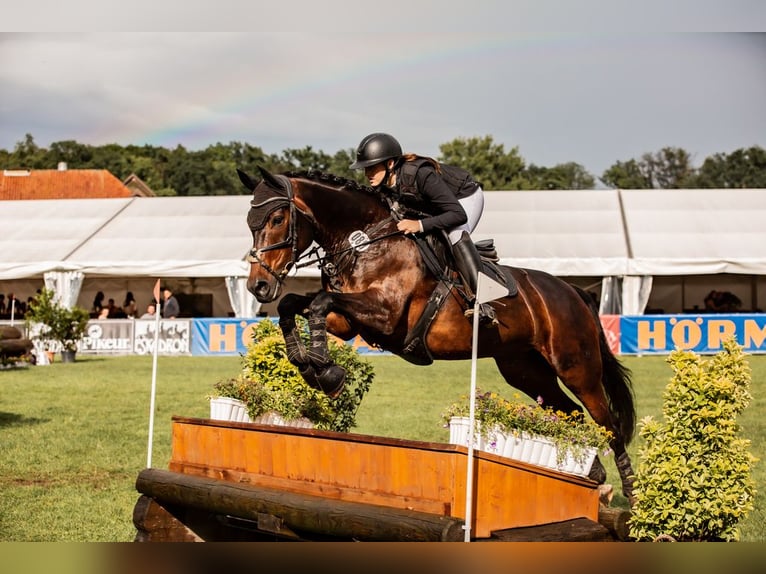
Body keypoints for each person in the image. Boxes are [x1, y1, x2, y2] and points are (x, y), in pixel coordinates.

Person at [350, 132, 497, 325]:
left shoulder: (419, 173)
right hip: (436, 208)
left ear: (390, 164)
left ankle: (482, 302)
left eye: (372, 168)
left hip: (464, 198)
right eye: (365, 169)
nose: (367, 174)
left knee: (455, 233)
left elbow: (457, 214)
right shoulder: (383, 186)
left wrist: (419, 225)